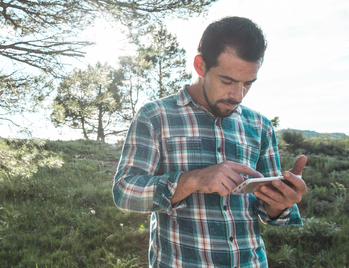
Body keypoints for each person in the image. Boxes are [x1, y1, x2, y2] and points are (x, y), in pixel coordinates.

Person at [112, 16, 307, 268]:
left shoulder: (260, 126)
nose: (237, 95)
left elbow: (268, 211)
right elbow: (124, 192)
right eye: (227, 81)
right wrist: (193, 180)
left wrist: (280, 204)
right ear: (200, 65)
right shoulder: (155, 116)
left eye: (247, 83)